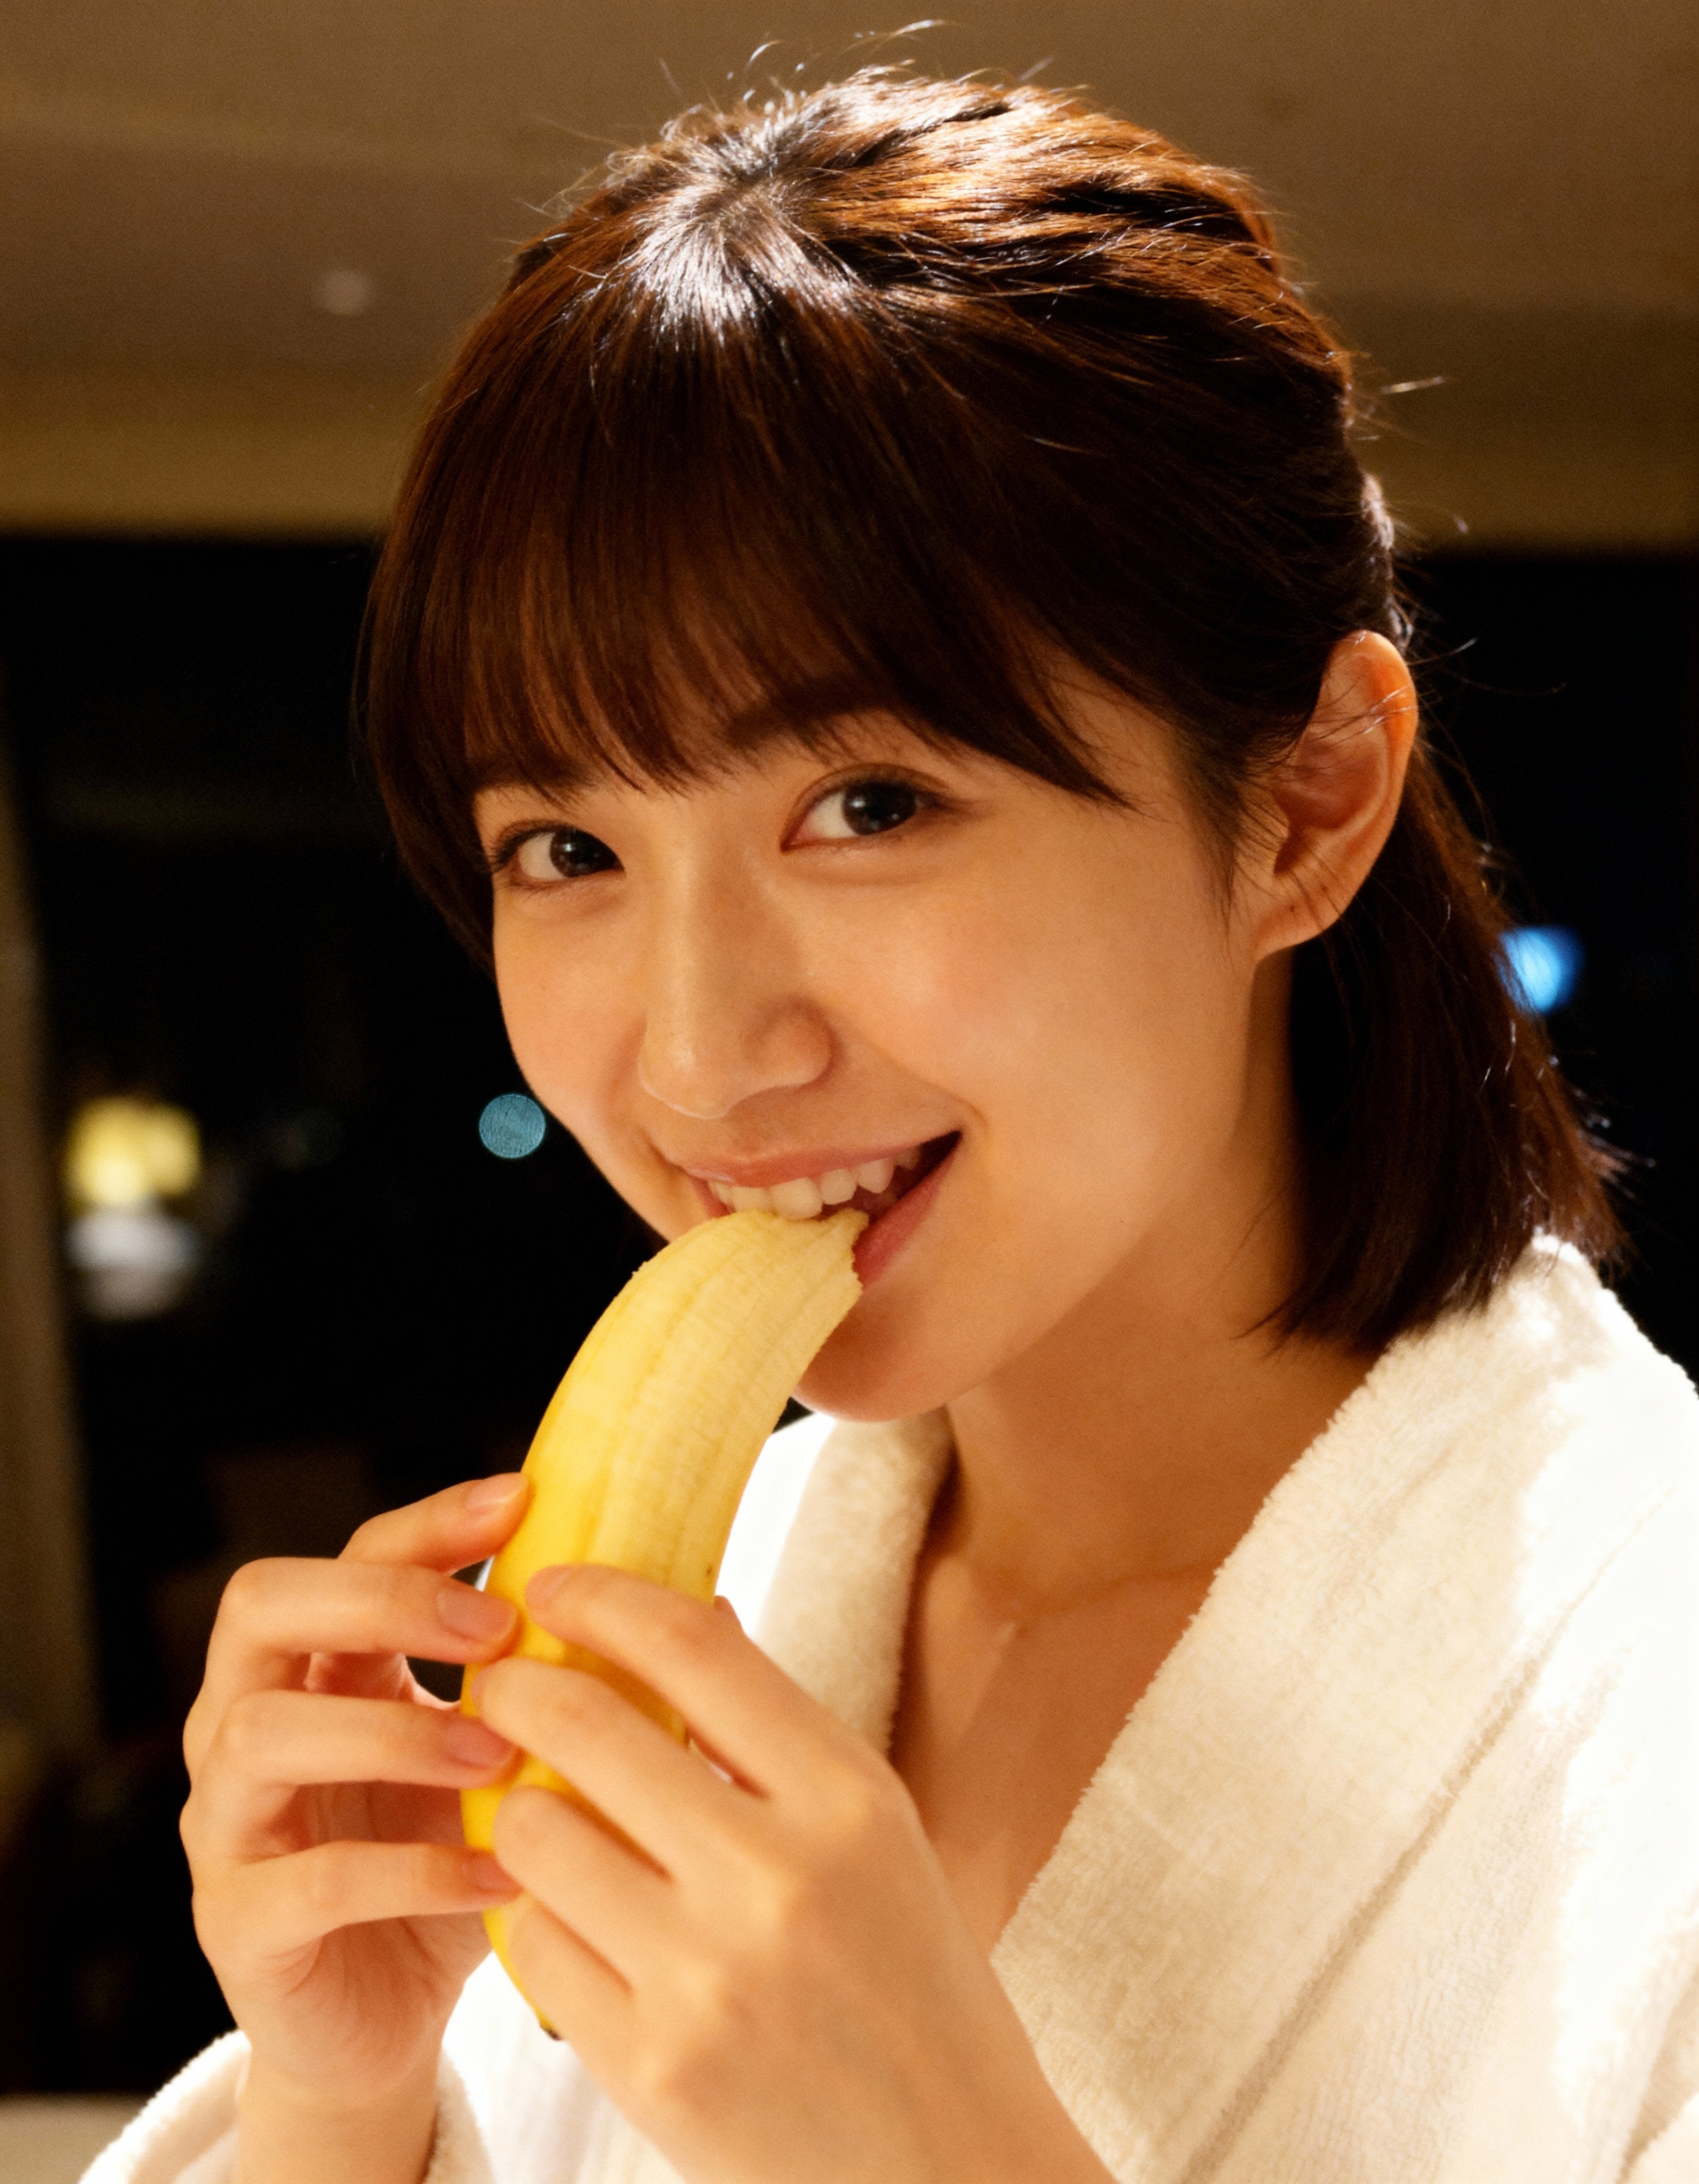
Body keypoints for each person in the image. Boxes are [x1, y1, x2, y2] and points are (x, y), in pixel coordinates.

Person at [91, 69, 1699, 2184]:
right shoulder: (692, 1618)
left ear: (1309, 803)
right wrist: (345, 2099)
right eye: (566, 847)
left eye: (869, 806)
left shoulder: (1649, 1672)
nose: (696, 1057)